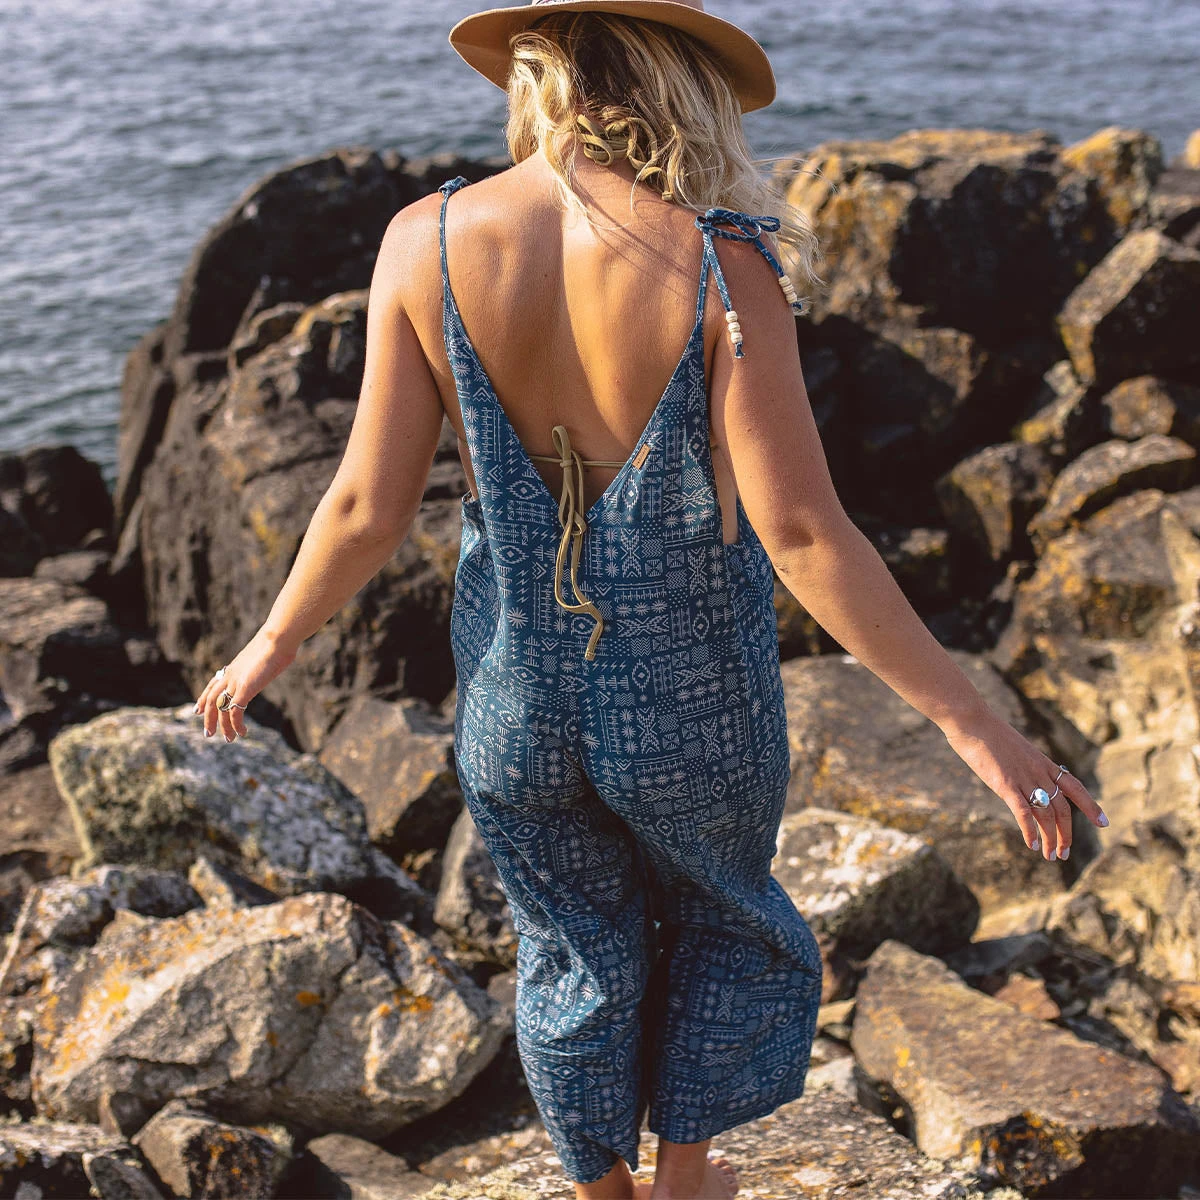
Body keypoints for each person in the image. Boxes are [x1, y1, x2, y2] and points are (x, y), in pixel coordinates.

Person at [193, 2, 1111, 1197]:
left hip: (517, 698)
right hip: (692, 700)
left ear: (539, 75)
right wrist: (971, 723)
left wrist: (269, 643)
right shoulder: (722, 264)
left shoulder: (425, 242)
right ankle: (686, 1178)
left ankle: (602, 1192)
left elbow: (368, 505)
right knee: (728, 922)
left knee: (570, 946)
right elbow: (801, 533)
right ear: (680, 84)